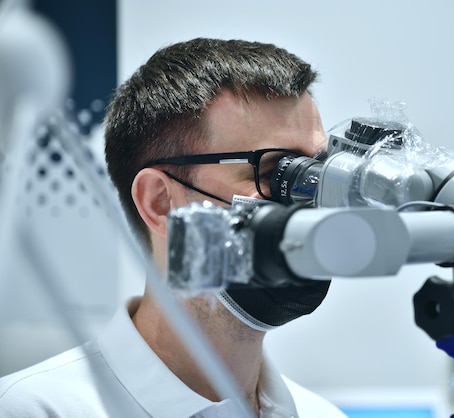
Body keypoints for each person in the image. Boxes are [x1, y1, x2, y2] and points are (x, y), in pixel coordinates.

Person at [0, 38, 347, 417]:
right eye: (274, 172)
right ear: (160, 202)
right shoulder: (36, 409)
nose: (309, 204)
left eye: (318, 173)